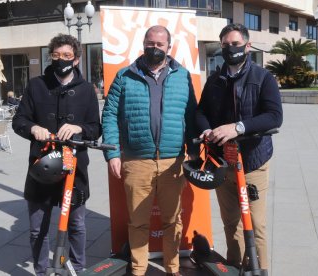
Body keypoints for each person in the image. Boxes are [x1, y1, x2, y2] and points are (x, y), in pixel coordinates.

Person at [102, 25, 199, 276]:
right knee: (137, 222)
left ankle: (173, 269)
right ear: (143, 43)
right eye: (150, 43)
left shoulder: (182, 75)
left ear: (169, 46)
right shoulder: (125, 76)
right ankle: (138, 270)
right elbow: (110, 115)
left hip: (173, 162)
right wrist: (112, 153)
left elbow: (192, 115)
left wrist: (195, 152)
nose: (154, 48)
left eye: (159, 44)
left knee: (172, 221)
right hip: (136, 161)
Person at [195, 23, 283, 272]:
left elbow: (274, 116)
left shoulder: (263, 77)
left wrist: (238, 127)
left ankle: (260, 269)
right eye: (225, 45)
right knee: (230, 222)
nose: (230, 49)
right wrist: (206, 129)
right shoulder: (215, 80)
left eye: (234, 44)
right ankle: (234, 266)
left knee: (255, 224)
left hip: (253, 160)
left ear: (247, 45)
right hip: (223, 162)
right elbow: (201, 111)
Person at [12, 34, 101, 275]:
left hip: (75, 169)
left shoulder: (86, 90)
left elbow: (96, 127)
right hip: (41, 166)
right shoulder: (36, 85)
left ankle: (78, 268)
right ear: (50, 56)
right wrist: (33, 128)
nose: (61, 60)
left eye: (67, 56)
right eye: (56, 55)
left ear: (77, 59)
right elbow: (19, 120)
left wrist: (79, 128)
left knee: (76, 224)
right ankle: (41, 271)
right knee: (36, 227)